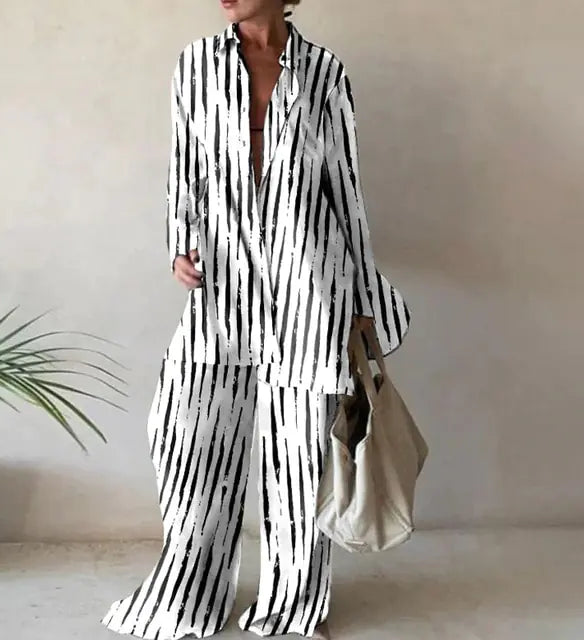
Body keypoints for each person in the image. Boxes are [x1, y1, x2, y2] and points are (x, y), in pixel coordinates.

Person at [101, 1, 411, 638]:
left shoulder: (325, 72)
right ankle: (189, 593)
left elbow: (345, 188)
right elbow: (183, 163)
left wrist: (361, 294)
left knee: (299, 459)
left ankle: (292, 605)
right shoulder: (196, 64)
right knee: (190, 438)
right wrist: (179, 243)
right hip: (223, 282)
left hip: (310, 282)